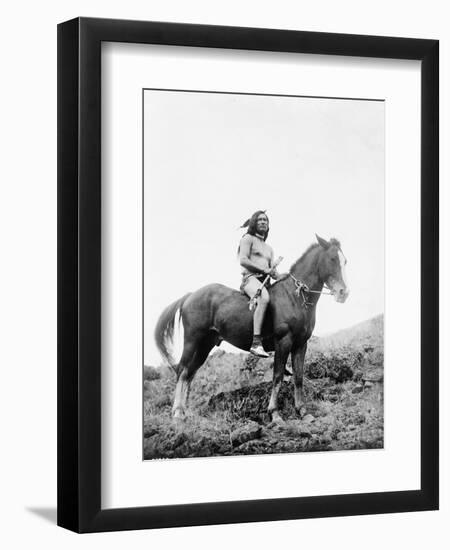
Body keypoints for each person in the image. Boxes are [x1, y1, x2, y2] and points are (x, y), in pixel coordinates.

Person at [238, 210, 279, 357]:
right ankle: (256, 344)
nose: (263, 222)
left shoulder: (269, 249)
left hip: (265, 282)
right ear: (254, 223)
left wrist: (278, 275)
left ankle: (274, 348)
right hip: (250, 279)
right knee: (264, 298)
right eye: (260, 220)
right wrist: (264, 269)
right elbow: (243, 260)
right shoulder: (247, 239)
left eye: (265, 220)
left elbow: (273, 273)